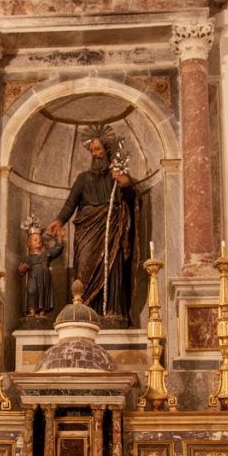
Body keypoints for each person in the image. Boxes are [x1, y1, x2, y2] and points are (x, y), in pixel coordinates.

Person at [47, 125, 137, 322]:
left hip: (112, 227)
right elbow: (71, 202)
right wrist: (59, 220)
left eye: (98, 149)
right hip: (87, 229)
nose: (95, 154)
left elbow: (131, 200)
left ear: (107, 150)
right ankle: (85, 312)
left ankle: (113, 311)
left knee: (112, 267)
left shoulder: (118, 176)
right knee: (84, 267)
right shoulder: (83, 178)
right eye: (92, 150)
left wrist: (126, 184)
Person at [18, 227, 63, 317]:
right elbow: (21, 271)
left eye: (40, 240)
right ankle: (32, 311)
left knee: (43, 292)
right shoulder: (28, 258)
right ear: (28, 243)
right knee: (32, 290)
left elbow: (57, 250)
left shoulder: (46, 254)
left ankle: (42, 311)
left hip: (45, 279)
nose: (38, 241)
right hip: (34, 277)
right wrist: (22, 268)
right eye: (35, 240)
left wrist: (60, 237)